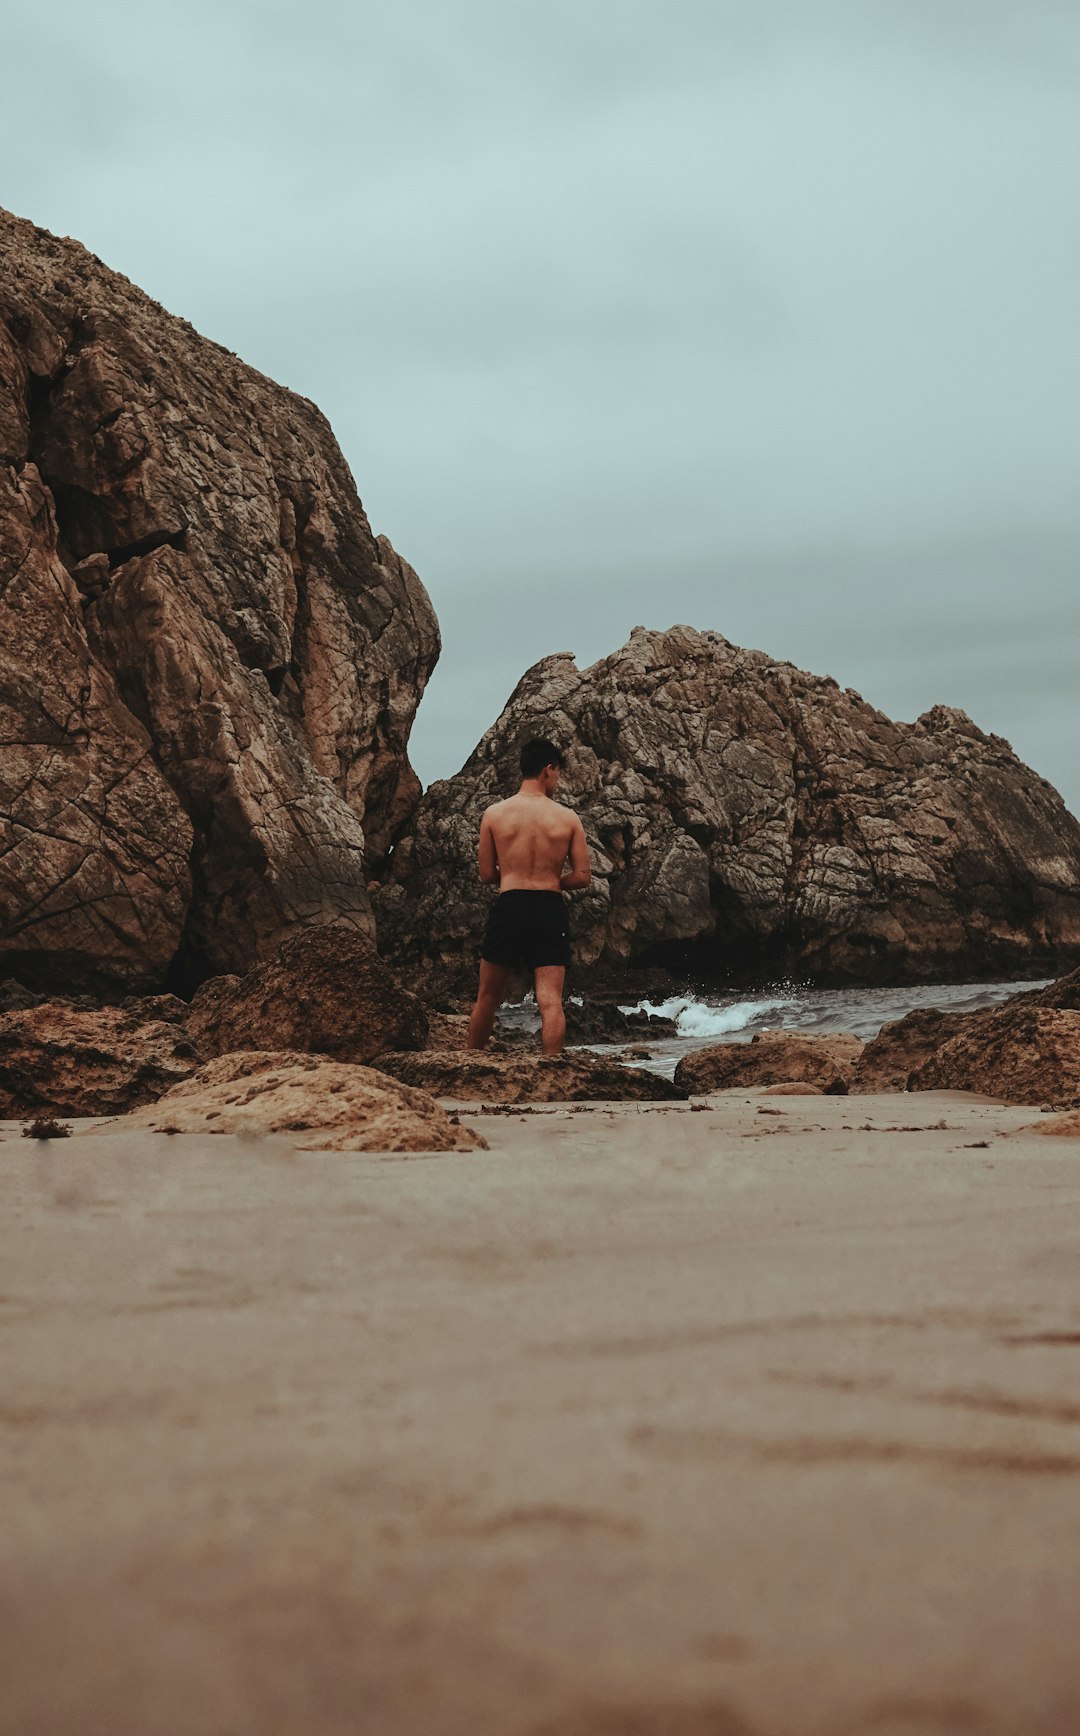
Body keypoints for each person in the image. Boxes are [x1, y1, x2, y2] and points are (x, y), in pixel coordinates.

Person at [466, 737, 592, 1056]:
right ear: (548, 770)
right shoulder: (567, 818)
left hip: (510, 905)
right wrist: (552, 881)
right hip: (549, 907)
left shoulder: (494, 814)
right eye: (558, 774)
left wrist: (510, 874)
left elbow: (485, 875)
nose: (558, 782)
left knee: (487, 999)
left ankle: (470, 1064)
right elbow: (582, 876)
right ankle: (551, 1069)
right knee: (550, 1000)